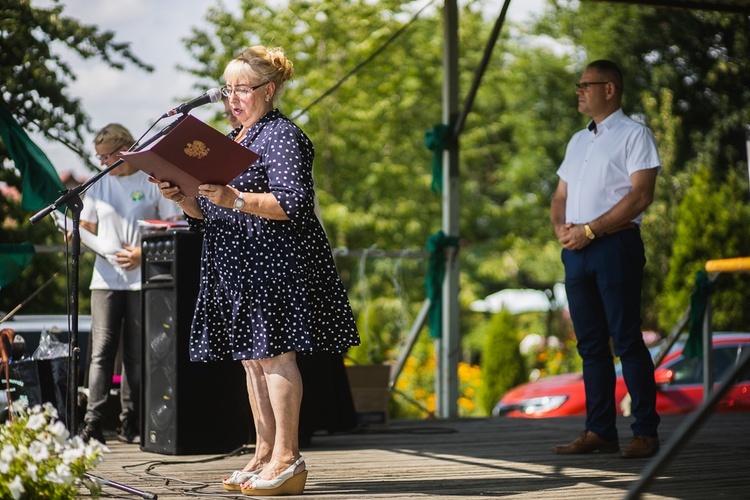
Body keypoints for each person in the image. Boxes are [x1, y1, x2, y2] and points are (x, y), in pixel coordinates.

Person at [157, 45, 360, 495]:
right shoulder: (238, 138)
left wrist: (233, 198)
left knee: (275, 358)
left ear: (268, 91)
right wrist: (186, 198)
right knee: (253, 362)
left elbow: (294, 202)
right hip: (238, 263)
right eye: (227, 89)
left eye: (242, 89)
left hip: (274, 264)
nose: (232, 98)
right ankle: (265, 452)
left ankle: (289, 457)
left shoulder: (280, 134)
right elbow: (211, 212)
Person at [549, 60, 662, 459]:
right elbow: (560, 196)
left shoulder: (635, 134)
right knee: (591, 345)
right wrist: (562, 229)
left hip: (615, 246)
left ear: (609, 89)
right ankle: (600, 431)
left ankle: (645, 433)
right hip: (576, 251)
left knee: (627, 340)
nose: (578, 91)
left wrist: (591, 230)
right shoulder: (578, 141)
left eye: (585, 85)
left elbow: (641, 195)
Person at [77, 124, 184, 444]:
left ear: (124, 152)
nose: (102, 163)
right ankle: (93, 420)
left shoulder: (149, 181)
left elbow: (172, 223)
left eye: (106, 156)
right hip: (106, 279)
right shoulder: (98, 186)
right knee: (101, 352)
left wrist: (142, 252)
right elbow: (86, 225)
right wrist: (80, 233)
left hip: (142, 278)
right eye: (98, 157)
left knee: (137, 354)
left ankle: (131, 419)